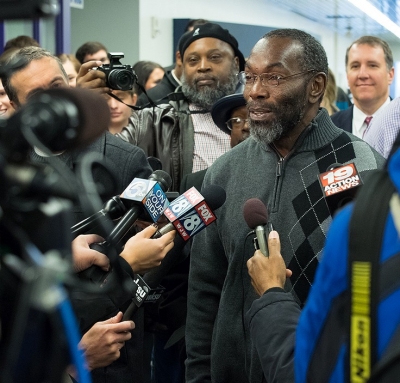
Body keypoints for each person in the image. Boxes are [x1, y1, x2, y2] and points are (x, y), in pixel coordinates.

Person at [185, 28, 385, 383]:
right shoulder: (224, 172)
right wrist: (199, 374)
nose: (255, 92)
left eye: (274, 77)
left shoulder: (362, 167)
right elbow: (204, 289)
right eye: (250, 77)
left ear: (315, 87)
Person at [0, 46, 174, 383]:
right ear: (18, 108)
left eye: (57, 86)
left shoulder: (124, 159)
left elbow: (156, 251)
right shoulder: (10, 170)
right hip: (35, 345)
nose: (54, 101)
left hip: (114, 343)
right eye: (37, 96)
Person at [117, 22, 246, 192]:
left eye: (215, 57)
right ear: (183, 67)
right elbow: (105, 159)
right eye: (193, 60)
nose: (203, 67)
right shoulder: (152, 120)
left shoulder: (259, 116)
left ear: (236, 63)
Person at [331, 36, 394, 138]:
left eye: (372, 65)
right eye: (355, 66)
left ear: (390, 75)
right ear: (347, 76)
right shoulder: (329, 128)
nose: (362, 74)